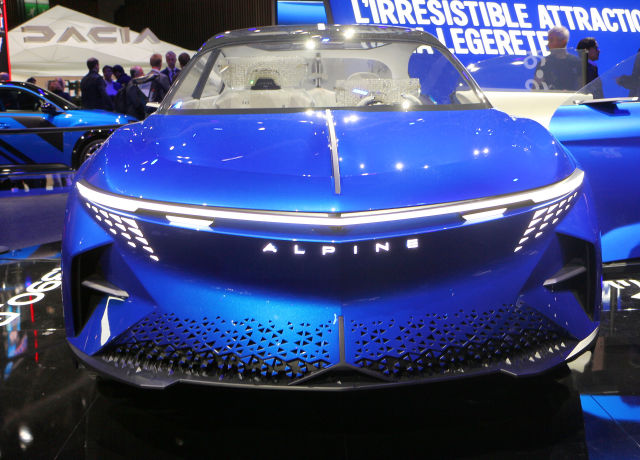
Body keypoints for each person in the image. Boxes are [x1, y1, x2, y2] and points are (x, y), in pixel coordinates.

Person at [534, 26, 581, 91]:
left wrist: (569, 93)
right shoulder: (543, 63)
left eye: (551, 40)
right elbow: (536, 88)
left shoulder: (577, 63)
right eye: (548, 41)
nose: (548, 45)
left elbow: (582, 88)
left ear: (563, 42)